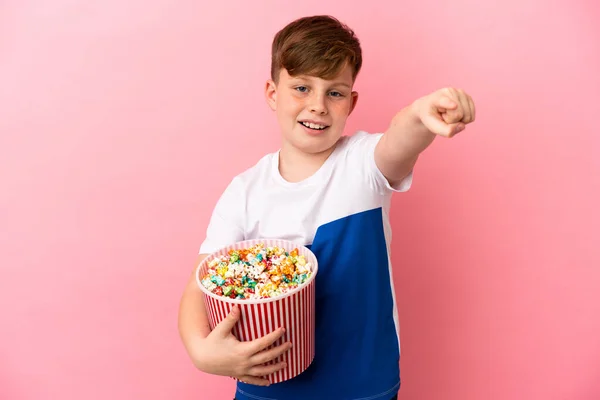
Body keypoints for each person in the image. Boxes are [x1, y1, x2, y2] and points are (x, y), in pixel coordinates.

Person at [178, 15, 476, 400]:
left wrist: (421, 113)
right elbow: (200, 284)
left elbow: (400, 140)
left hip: (364, 386)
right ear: (272, 93)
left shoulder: (363, 165)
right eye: (302, 88)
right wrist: (201, 351)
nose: (317, 106)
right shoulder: (244, 192)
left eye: (334, 93)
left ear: (351, 102)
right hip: (267, 388)